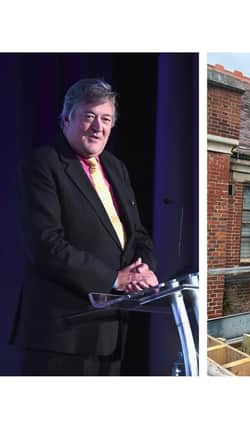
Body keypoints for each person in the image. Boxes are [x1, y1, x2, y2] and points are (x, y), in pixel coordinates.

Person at [11, 78, 159, 375]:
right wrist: (115, 279)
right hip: (62, 334)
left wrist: (144, 269)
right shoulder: (43, 164)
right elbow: (46, 245)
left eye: (105, 119)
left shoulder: (116, 168)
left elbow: (137, 234)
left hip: (111, 331)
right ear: (66, 119)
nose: (98, 127)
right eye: (89, 116)